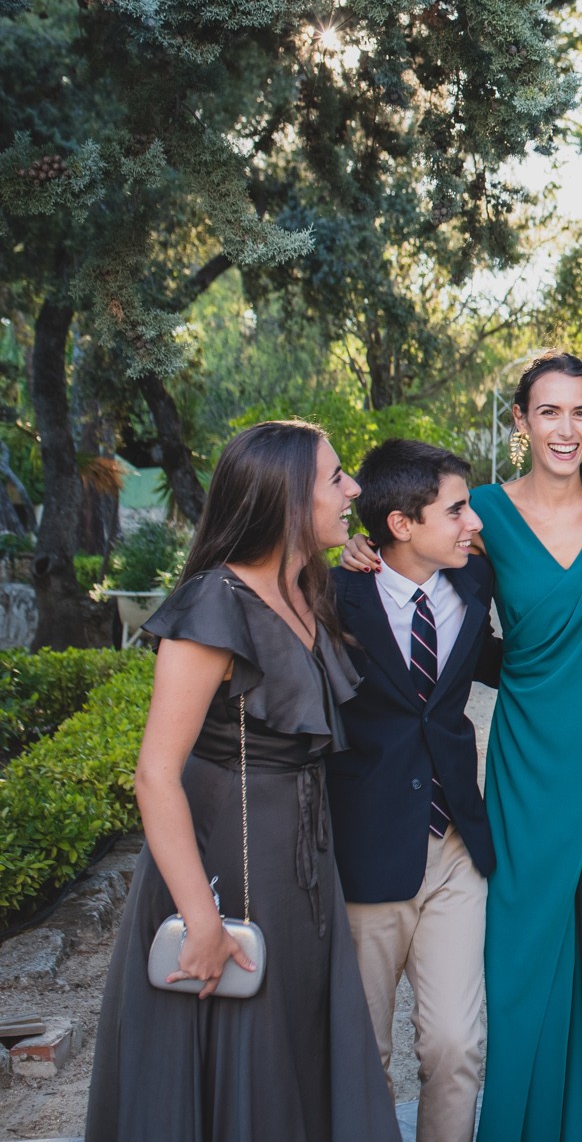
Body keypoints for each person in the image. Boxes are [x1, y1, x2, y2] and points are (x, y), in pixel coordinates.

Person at [341, 350, 582, 1141]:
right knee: (524, 961)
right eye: (549, 411)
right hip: (531, 759)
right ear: (520, 420)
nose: (567, 428)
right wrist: (362, 551)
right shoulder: (480, 514)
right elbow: (416, 567)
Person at [85, 420, 400, 1142]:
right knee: (244, 1042)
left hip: (303, 860)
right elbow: (154, 775)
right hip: (229, 861)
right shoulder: (213, 603)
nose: (354, 489)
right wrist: (200, 919)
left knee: (295, 1035)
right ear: (287, 498)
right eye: (336, 478)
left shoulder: (307, 587)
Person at [330, 440, 503, 1142]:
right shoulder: (335, 596)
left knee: (457, 1045)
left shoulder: (475, 579)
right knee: (364, 1052)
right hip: (367, 849)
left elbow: (505, 660)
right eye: (456, 509)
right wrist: (349, 549)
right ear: (401, 524)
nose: (473, 522)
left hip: (455, 841)